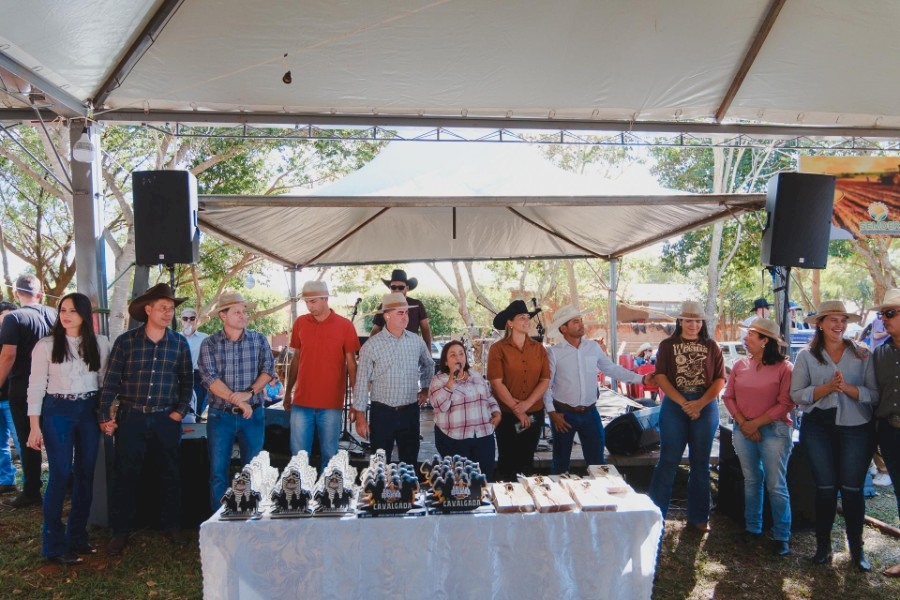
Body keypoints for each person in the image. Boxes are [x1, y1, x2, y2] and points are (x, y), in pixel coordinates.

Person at [99, 283, 193, 556]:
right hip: (132, 417)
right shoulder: (126, 341)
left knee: (170, 475)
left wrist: (179, 412)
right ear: (148, 309)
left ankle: (172, 525)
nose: (168, 313)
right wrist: (104, 415)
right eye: (163, 308)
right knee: (125, 475)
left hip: (166, 418)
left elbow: (187, 381)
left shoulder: (179, 343)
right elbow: (111, 381)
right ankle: (120, 531)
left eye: (171, 308)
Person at [790, 300, 877, 571]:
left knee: (852, 489)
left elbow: (874, 394)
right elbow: (796, 395)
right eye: (833, 320)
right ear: (820, 324)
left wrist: (849, 389)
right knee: (825, 489)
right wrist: (826, 388)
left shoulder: (862, 354)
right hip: (818, 427)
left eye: (843, 320)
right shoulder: (805, 356)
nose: (839, 325)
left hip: (856, 427)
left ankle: (857, 551)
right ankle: (823, 547)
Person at [26, 293, 111, 565]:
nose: (66, 315)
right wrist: (34, 426)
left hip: (89, 410)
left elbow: (104, 383)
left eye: (73, 310)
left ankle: (78, 537)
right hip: (57, 411)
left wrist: (107, 414)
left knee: (85, 474)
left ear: (84, 314)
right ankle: (53, 544)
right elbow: (35, 386)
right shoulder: (46, 345)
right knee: (60, 474)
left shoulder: (101, 343)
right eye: (63, 310)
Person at [543, 305, 653, 474]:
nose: (581, 324)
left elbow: (612, 369)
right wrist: (552, 413)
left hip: (590, 412)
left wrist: (642, 379)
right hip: (563, 413)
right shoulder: (554, 353)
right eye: (575, 322)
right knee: (560, 463)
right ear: (563, 328)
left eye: (580, 320)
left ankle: (600, 490)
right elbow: (545, 385)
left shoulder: (593, 348)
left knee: (598, 463)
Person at [647, 300, 725, 533]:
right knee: (668, 461)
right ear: (680, 321)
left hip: (705, 404)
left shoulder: (712, 346)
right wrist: (684, 403)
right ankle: (655, 515)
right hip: (674, 405)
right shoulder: (667, 345)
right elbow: (660, 376)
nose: (693, 325)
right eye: (689, 320)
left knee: (701, 463)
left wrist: (699, 403)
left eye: (698, 321)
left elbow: (720, 379)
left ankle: (699, 517)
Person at [722, 317, 794, 556]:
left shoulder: (785, 368)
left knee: (775, 484)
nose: (745, 338)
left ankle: (782, 535)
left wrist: (755, 424)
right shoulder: (740, 365)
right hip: (743, 430)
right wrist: (745, 424)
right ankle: (753, 527)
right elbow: (728, 396)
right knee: (751, 479)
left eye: (751, 334)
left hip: (775, 431)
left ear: (765, 341)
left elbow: (786, 403)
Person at [199, 291, 275, 512]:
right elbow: (209, 379)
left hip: (254, 415)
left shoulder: (259, 339)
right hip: (220, 416)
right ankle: (219, 521)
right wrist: (239, 401)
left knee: (254, 471)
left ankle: (251, 518)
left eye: (244, 311)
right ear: (223, 315)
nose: (243, 316)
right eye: (237, 312)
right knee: (218, 473)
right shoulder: (209, 343)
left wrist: (248, 394)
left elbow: (268, 371)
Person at [284, 281, 359, 469]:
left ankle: (327, 489)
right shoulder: (300, 323)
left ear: (325, 298)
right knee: (298, 457)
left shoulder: (345, 325)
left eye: (313, 301)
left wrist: (356, 401)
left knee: (330, 456)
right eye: (307, 302)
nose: (310, 306)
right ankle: (300, 488)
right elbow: (296, 359)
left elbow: (352, 365)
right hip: (301, 401)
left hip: (331, 403)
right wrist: (287, 393)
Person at [354, 292, 433, 464]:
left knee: (409, 463)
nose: (406, 317)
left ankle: (408, 482)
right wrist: (360, 417)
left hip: (410, 412)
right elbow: (361, 382)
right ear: (387, 316)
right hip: (382, 413)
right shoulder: (371, 345)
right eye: (400, 313)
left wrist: (426, 388)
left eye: (407, 312)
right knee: (379, 464)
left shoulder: (416, 341)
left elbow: (428, 364)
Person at [0, 274, 57, 509]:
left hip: (23, 387)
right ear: (40, 293)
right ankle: (64, 483)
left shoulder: (13, 317)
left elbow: (8, 355)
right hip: (53, 385)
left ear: (16, 294)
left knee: (28, 440)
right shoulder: (54, 314)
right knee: (55, 437)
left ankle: (32, 491)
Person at [487, 299, 550, 481]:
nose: (527, 321)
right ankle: (508, 495)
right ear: (510, 323)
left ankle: (527, 494)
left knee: (527, 461)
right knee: (507, 462)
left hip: (534, 414)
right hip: (507, 416)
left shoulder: (538, 349)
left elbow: (545, 380)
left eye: (527, 317)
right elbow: (496, 383)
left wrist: (526, 405)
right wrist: (517, 410)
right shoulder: (497, 349)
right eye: (521, 317)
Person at [428, 340, 501, 479]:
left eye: (461, 354)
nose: (458, 358)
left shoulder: (475, 375)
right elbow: (440, 406)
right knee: (459, 483)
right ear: (445, 361)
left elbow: (488, 397)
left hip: (483, 436)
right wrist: (451, 380)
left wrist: (496, 412)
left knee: (484, 480)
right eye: (453, 355)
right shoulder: (439, 380)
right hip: (454, 439)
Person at [868, 289, 900, 577]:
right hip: (891, 431)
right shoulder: (880, 353)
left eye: (890, 313)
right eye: (882, 314)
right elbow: (876, 393)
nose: (884, 319)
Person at [370, 269, 433, 350]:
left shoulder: (417, 304)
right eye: (393, 287)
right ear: (390, 288)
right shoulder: (384, 305)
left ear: (407, 288)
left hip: (412, 349)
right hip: (388, 350)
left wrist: (428, 350)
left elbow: (425, 329)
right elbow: (376, 329)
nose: (397, 290)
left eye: (400, 287)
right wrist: (370, 348)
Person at [0, 301, 21, 496]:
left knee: (21, 441)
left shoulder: (21, 337)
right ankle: (6, 481)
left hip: (12, 398)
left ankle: (31, 484)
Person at [180, 307, 209, 421]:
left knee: (197, 408)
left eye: (192, 318)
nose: (188, 321)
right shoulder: (175, 337)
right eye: (185, 318)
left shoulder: (204, 337)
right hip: (179, 376)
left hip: (197, 376)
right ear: (181, 321)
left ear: (196, 320)